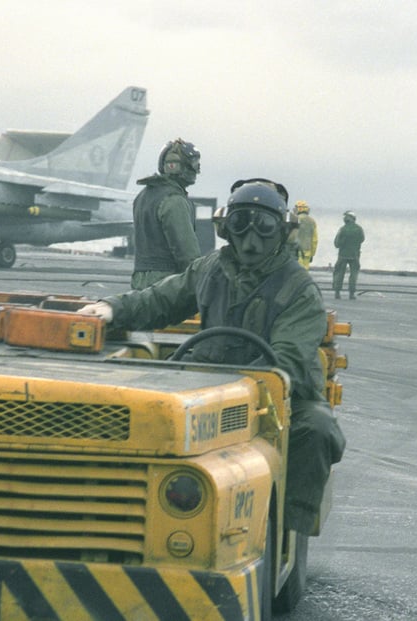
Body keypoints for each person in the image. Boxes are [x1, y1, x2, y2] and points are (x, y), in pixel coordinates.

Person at [78, 179, 346, 536]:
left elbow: (288, 362)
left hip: (277, 400)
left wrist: (232, 395)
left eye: (264, 228)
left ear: (281, 233)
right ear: (226, 229)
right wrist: (110, 308)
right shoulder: (210, 269)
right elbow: (160, 299)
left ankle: (284, 531)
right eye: (241, 225)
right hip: (206, 385)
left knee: (317, 429)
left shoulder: (298, 290)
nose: (251, 241)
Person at [130, 138, 202, 289]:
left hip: (140, 281)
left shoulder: (143, 196)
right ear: (178, 165)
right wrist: (199, 281)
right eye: (194, 164)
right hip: (165, 283)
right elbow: (187, 253)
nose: (197, 170)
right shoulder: (174, 200)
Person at [332, 211, 365, 299]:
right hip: (355, 255)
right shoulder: (359, 229)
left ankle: (337, 292)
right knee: (354, 274)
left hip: (343, 255)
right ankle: (351, 293)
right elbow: (362, 239)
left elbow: (337, 243)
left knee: (339, 273)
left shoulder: (342, 229)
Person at [294, 200, 318, 269]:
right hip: (307, 251)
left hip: (295, 251)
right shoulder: (312, 221)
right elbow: (314, 240)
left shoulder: (294, 219)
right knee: (305, 271)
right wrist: (312, 254)